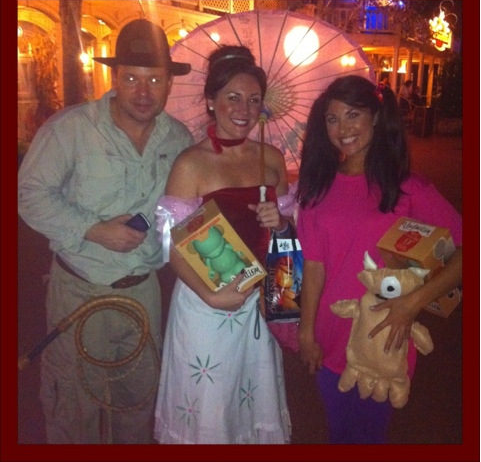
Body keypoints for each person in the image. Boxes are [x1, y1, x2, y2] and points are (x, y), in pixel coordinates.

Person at [17, 19, 195, 444]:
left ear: (169, 83)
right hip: (80, 290)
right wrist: (94, 230)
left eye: (155, 79)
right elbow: (28, 194)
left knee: (138, 405)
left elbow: (188, 214)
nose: (143, 91)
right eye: (131, 78)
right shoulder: (72, 129)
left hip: (144, 293)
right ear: (115, 78)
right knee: (74, 408)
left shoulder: (179, 139)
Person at [295, 75, 462, 444]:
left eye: (353, 115)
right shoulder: (316, 187)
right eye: (332, 119)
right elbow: (315, 267)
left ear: (375, 117)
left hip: (384, 337)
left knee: (370, 436)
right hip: (330, 330)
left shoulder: (409, 189)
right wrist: (306, 331)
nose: (343, 129)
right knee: (339, 432)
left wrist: (412, 304)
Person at [153, 45, 293, 444]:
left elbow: (288, 239)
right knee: (209, 409)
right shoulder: (190, 163)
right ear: (211, 101)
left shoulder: (272, 159)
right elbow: (173, 246)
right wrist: (211, 296)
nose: (244, 109)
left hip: (257, 302)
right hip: (204, 305)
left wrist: (281, 221)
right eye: (233, 97)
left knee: (250, 405)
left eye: (253, 99)